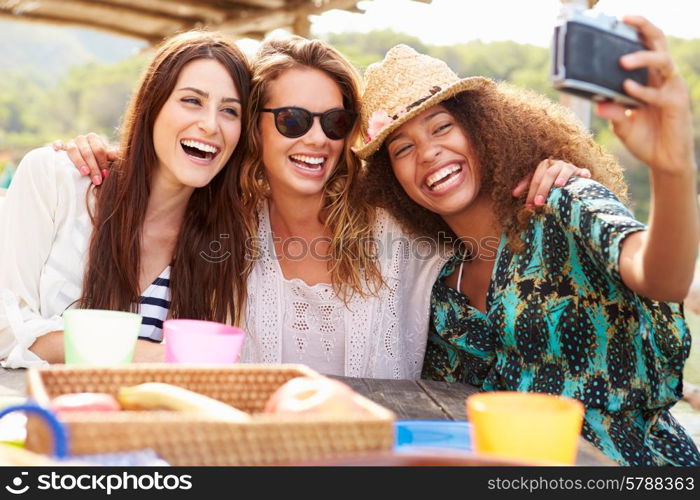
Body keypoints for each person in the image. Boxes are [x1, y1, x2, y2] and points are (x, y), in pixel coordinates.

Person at [55, 36, 585, 378]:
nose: (316, 139)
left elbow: (471, 200)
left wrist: (552, 173)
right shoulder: (220, 225)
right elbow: (167, 173)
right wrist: (109, 157)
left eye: (333, 122)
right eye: (291, 120)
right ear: (251, 127)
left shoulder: (397, 225)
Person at [356, 17, 700, 465]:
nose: (427, 152)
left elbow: (661, 278)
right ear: (391, 179)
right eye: (402, 148)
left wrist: (672, 169)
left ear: (484, 128)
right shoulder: (439, 285)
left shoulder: (564, 201)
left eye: (442, 127)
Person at [0, 31, 251, 367]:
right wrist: (150, 355)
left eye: (230, 111)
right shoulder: (55, 179)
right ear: (152, 105)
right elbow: (6, 330)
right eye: (192, 100)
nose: (210, 124)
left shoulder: (227, 239)